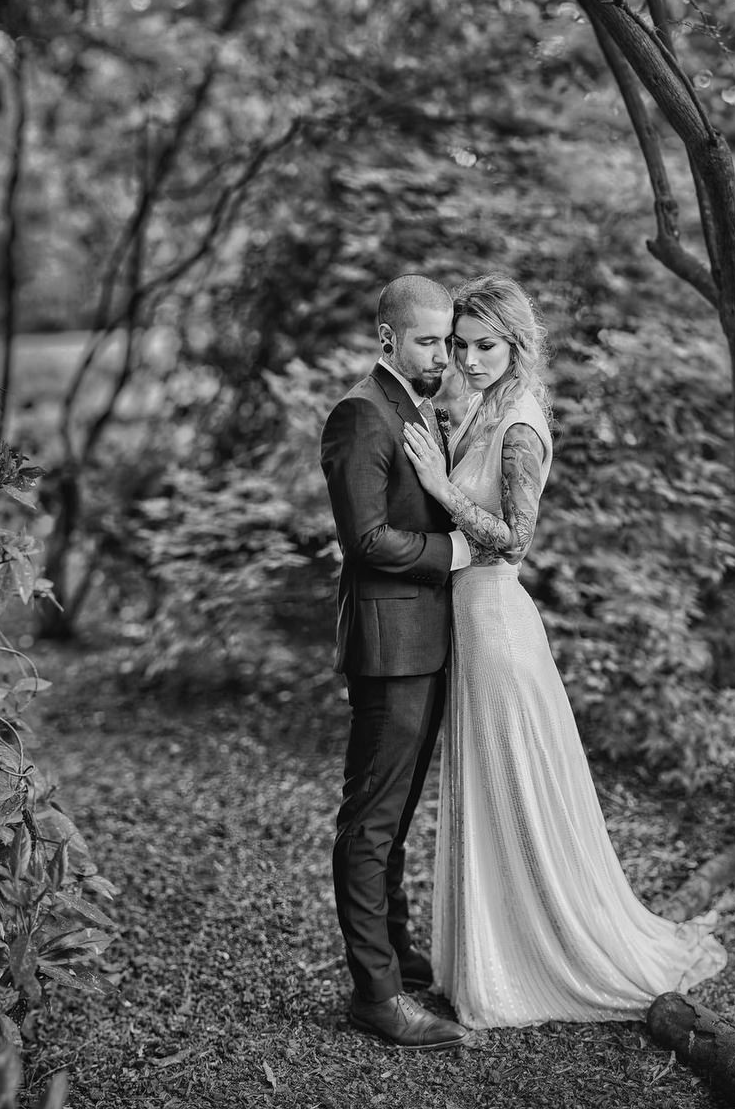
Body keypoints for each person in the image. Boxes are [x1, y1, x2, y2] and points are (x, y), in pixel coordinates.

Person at [400, 274, 726, 1029]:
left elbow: (516, 539)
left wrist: (439, 488)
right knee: (487, 790)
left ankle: (539, 956)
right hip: (469, 623)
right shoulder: (482, 408)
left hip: (497, 624)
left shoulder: (520, 426)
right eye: (460, 345)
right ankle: (494, 952)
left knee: (515, 790)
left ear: (516, 346)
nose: (469, 359)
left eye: (485, 346)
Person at [319, 274, 472, 1050]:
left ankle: (398, 954)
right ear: (387, 338)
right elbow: (367, 540)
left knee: (399, 814)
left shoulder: (414, 405)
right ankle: (375, 995)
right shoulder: (361, 413)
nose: (443, 354)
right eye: (428, 340)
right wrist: (456, 550)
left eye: (447, 340)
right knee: (371, 820)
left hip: (425, 642)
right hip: (389, 649)